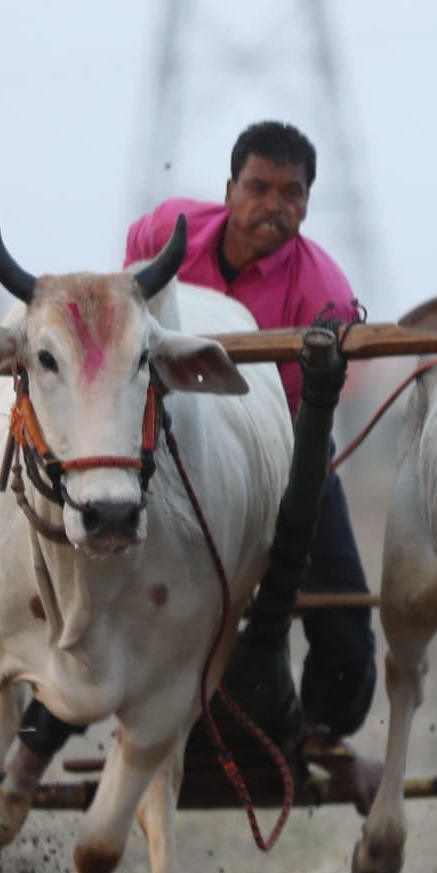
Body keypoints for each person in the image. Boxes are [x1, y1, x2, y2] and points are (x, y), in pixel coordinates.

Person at [118, 120, 374, 745]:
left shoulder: (325, 296)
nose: (274, 206)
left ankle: (315, 734)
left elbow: (298, 423)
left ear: (309, 204)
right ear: (230, 189)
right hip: (159, 449)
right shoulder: (163, 236)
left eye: (292, 193)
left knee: (343, 616)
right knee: (96, 559)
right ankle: (46, 725)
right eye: (259, 187)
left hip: (281, 458)